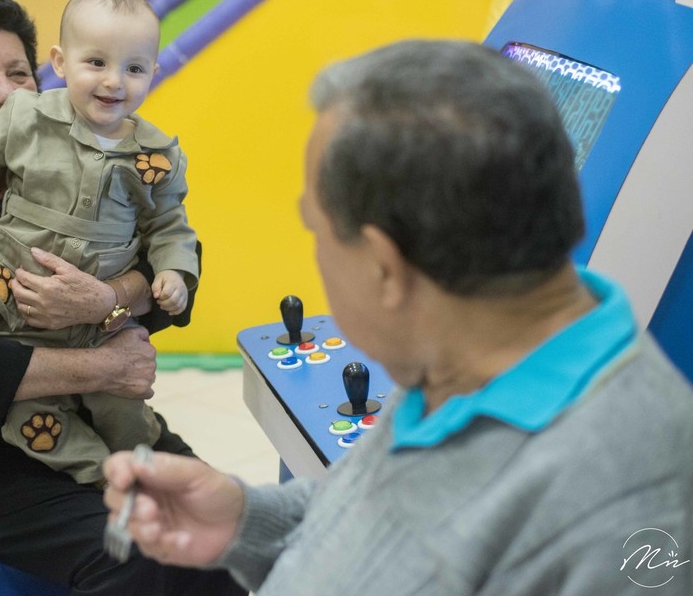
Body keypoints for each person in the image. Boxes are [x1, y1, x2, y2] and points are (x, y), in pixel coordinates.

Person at [104, 40, 693, 595]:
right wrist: (247, 520)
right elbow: (384, 519)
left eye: (317, 230)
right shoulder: (455, 363)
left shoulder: (633, 496)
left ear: (385, 268)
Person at [0, 0, 243, 595]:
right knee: (133, 555)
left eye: (16, 73)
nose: (4, 92)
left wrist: (108, 297)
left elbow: (174, 264)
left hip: (101, 420)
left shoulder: (88, 151)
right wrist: (103, 366)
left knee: (219, 532)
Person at [0, 0, 195, 485]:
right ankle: (97, 472)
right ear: (60, 61)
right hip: (19, 315)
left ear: (153, 72)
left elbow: (169, 226)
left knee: (126, 414)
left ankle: (136, 468)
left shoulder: (157, 154)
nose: (114, 81)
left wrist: (173, 273)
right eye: (96, 62)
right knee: (24, 414)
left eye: (134, 68)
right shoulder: (28, 118)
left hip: (104, 329)